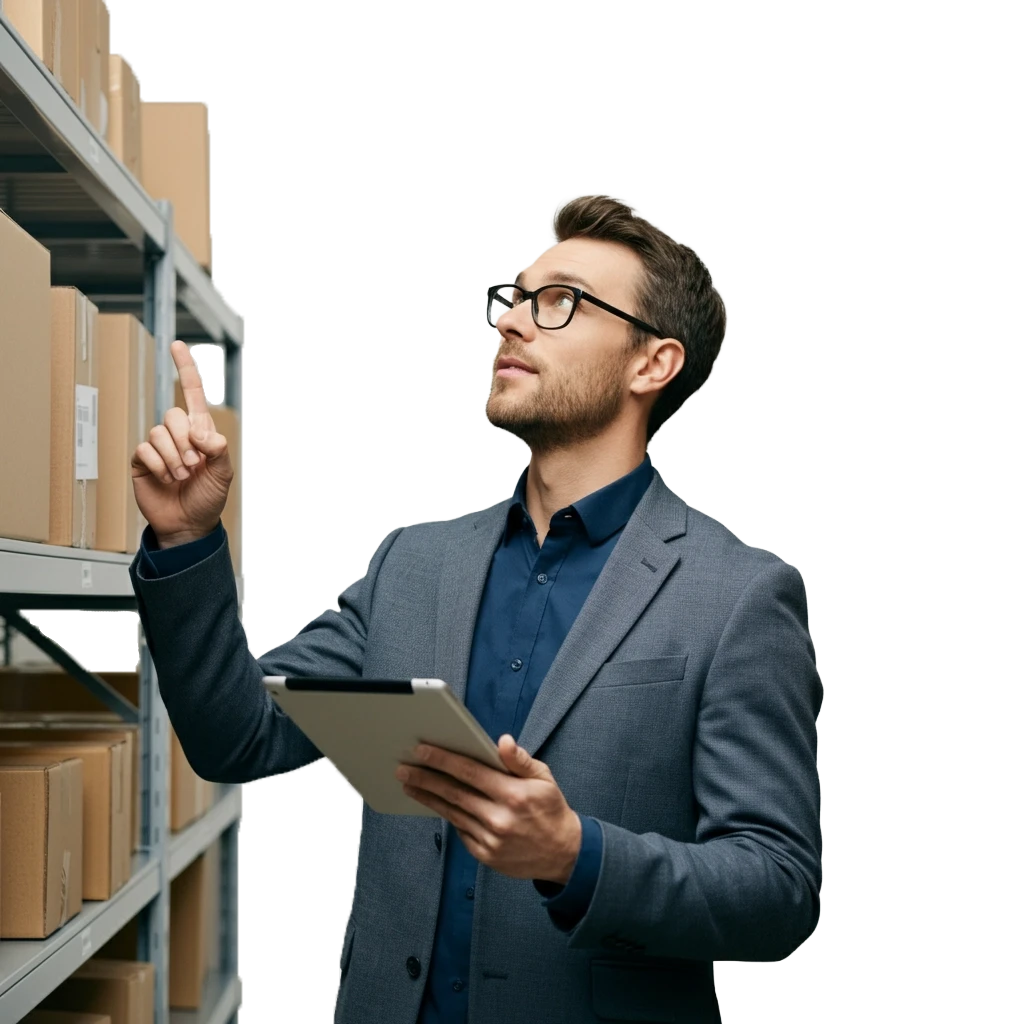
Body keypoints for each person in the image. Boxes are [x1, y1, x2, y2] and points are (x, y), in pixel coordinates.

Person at [129, 193, 823, 1024]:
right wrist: (186, 542)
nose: (514, 323)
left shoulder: (736, 595)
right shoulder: (415, 566)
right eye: (516, 298)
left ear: (653, 364)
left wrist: (577, 856)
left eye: (559, 302)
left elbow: (778, 890)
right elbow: (234, 736)